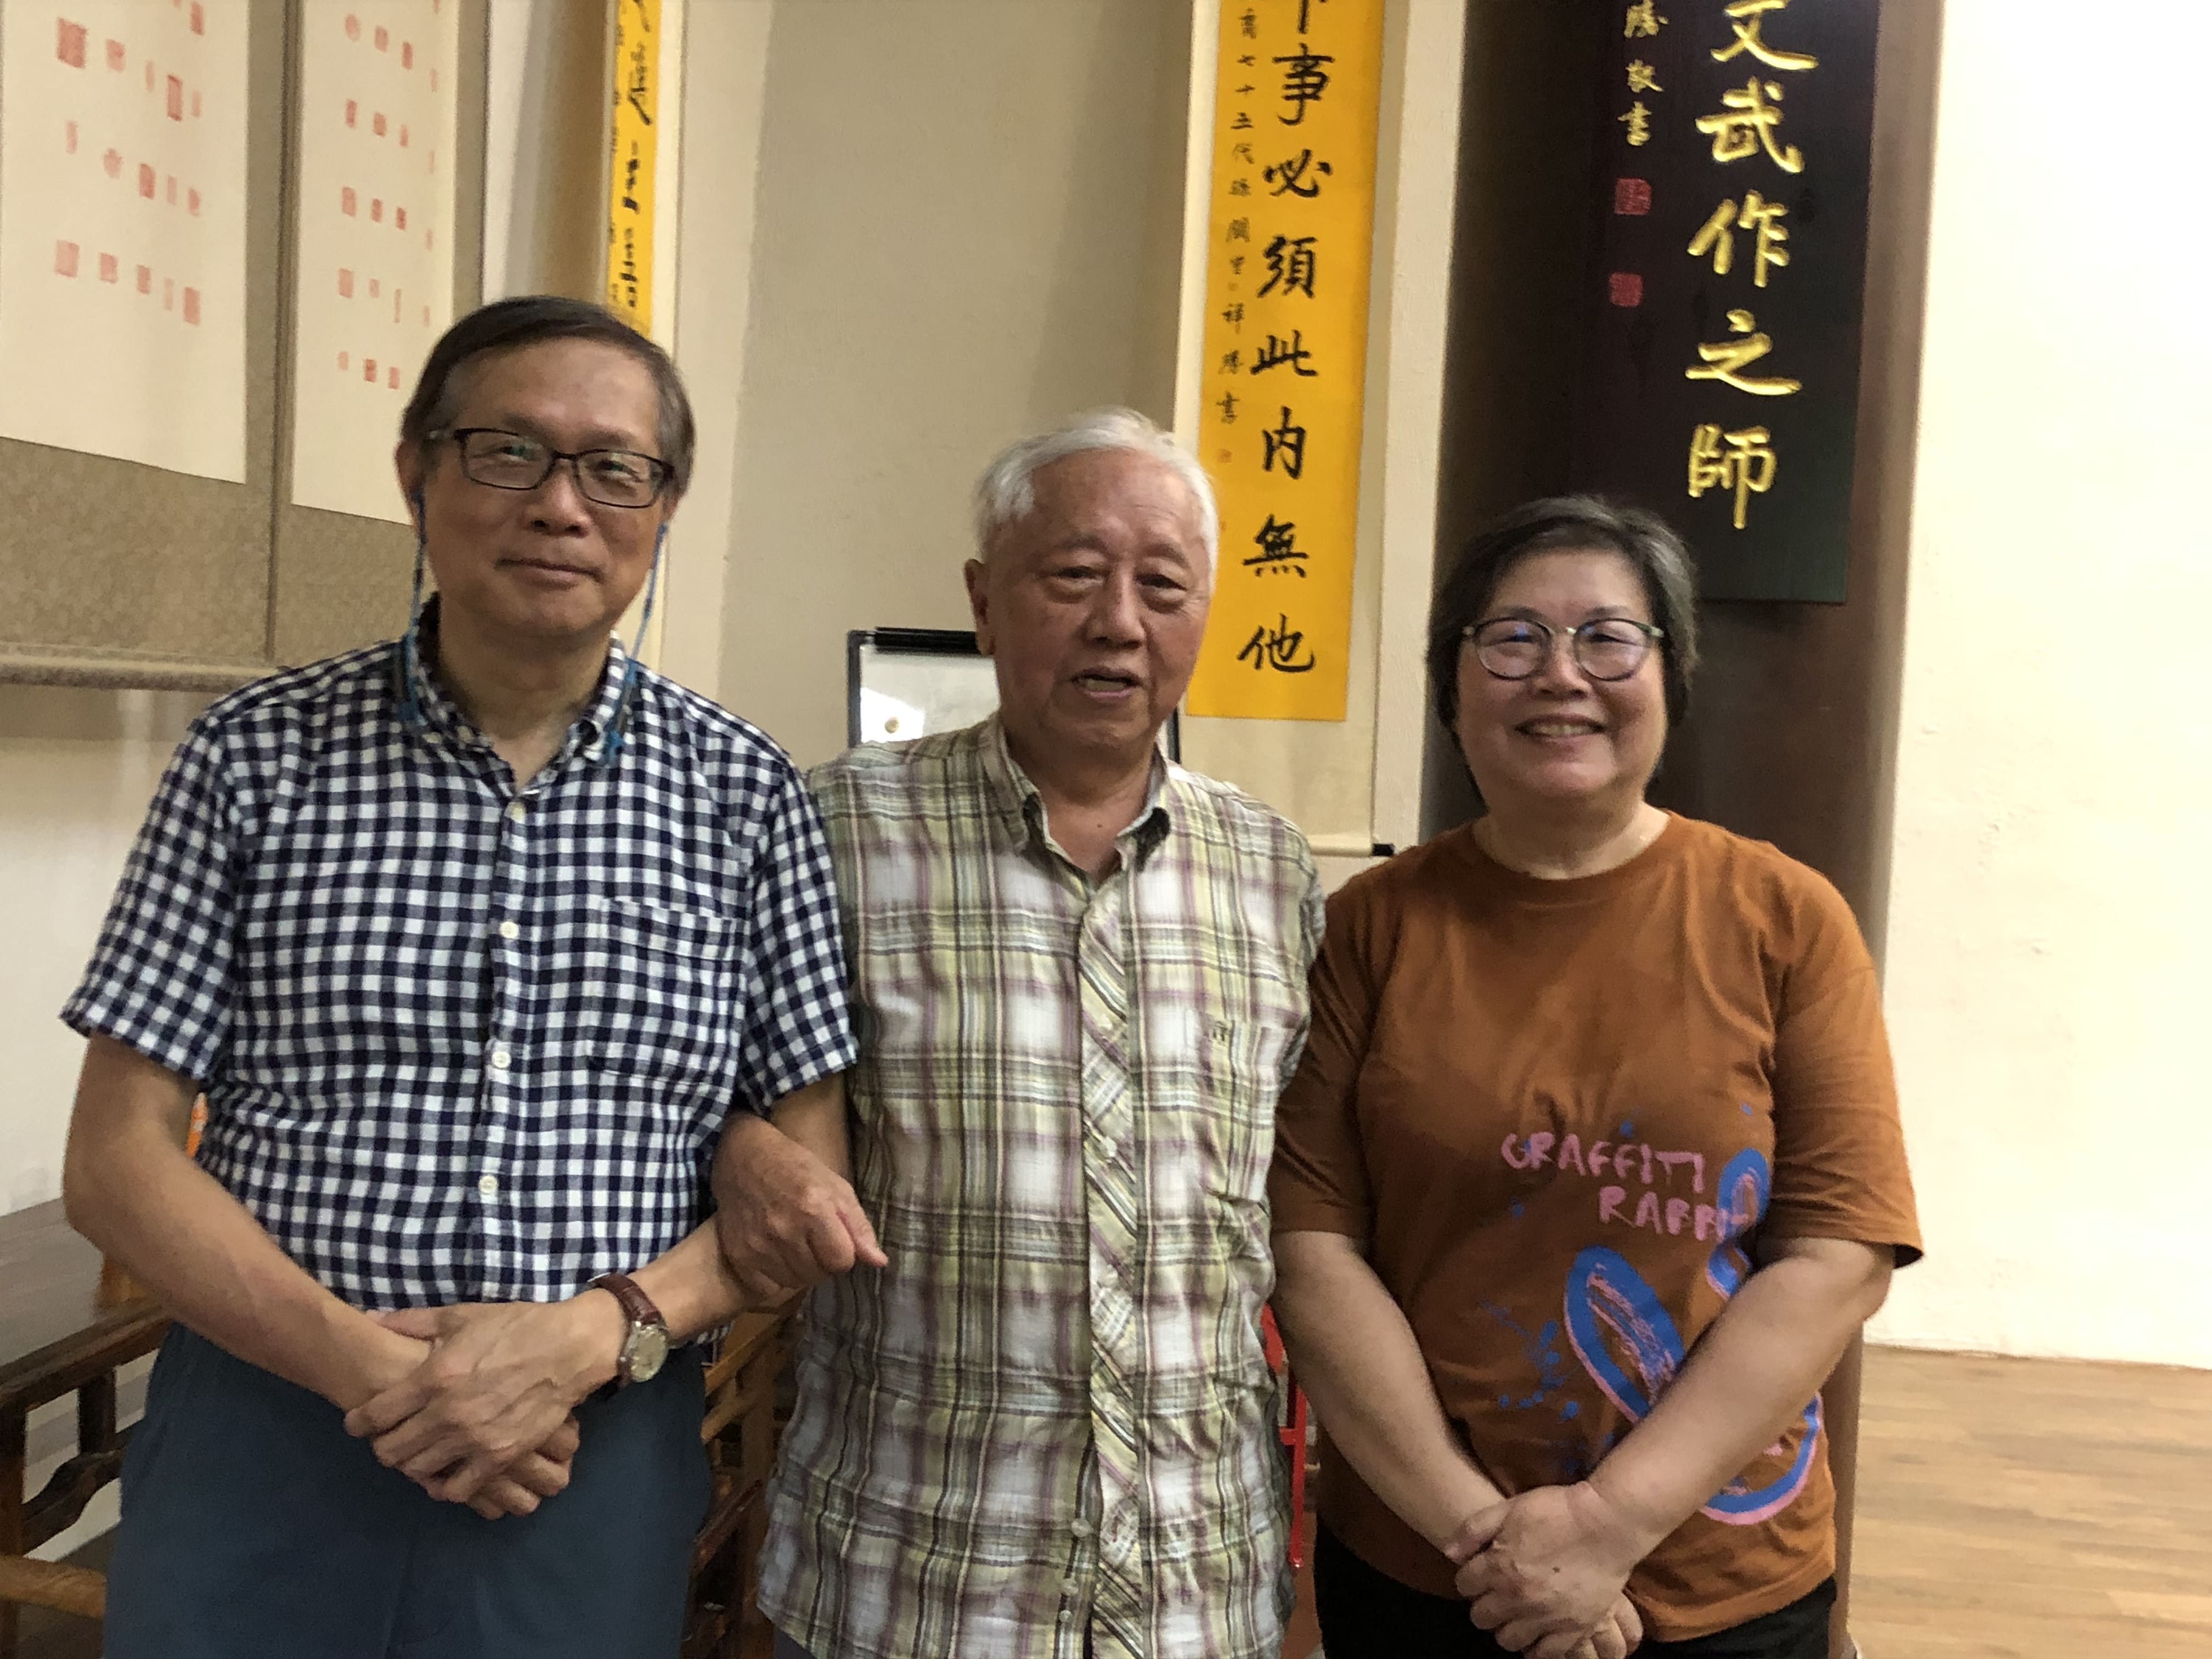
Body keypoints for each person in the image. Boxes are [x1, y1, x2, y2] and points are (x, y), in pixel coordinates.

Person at [60, 295, 860, 1658]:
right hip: (268, 1429)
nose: (562, 506)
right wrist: (384, 1377)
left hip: (586, 1455)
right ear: (416, 472)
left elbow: (804, 1181)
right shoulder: (254, 758)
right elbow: (116, 1160)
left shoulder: (744, 794)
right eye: (509, 452)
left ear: (665, 507)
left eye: (616, 469)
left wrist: (594, 1334)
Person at [1268, 496, 1922, 1659]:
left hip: (1719, 1579)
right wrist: (1491, 1542)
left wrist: (1610, 1523)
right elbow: (1313, 1248)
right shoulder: (1371, 927)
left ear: (1670, 675)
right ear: (1452, 686)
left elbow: (1839, 1255)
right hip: (1431, 1566)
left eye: (1610, 638)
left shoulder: (1783, 917)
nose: (1561, 674)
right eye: (1512, 639)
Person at [719, 409, 1323, 1659]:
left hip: (1197, 1583)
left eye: (1164, 586)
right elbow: (684, 1089)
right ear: (984, 602)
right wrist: (738, 1146)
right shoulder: (831, 832)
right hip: (911, 1576)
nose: (1120, 622)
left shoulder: (1271, 868)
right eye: (1074, 575)